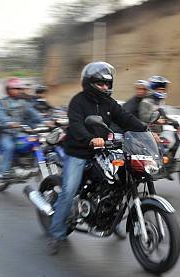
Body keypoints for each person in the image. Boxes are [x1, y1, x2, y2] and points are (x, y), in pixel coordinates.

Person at [47, 62, 147, 255]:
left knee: (120, 181)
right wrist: (91, 139)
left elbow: (125, 118)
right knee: (68, 191)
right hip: (78, 152)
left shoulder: (109, 103)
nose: (105, 87)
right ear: (89, 82)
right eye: (100, 83)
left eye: (107, 84)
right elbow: (76, 126)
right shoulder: (78, 101)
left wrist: (146, 131)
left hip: (102, 151)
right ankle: (56, 233)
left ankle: (111, 218)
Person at [0, 78, 44, 178]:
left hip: (20, 133)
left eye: (20, 88)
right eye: (16, 88)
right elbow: (0, 116)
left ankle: (27, 165)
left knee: (36, 141)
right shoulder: (1, 103)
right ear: (8, 90)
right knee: (9, 147)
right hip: (6, 133)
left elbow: (34, 114)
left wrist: (46, 121)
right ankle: (4, 172)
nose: (19, 90)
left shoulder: (24, 103)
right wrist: (9, 122)